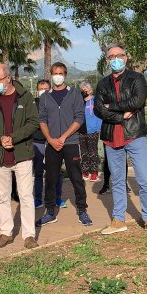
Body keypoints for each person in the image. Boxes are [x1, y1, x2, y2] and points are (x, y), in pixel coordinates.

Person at [94, 44, 147, 234]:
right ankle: (118, 219)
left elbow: (137, 101)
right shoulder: (103, 83)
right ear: (107, 60)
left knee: (144, 179)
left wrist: (110, 105)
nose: (115, 59)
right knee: (117, 180)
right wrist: (121, 115)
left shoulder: (137, 78)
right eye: (111, 56)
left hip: (134, 135)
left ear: (125, 57)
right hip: (111, 137)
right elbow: (98, 109)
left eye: (119, 55)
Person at [0, 65, 40, 249]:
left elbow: (33, 122)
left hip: (22, 154)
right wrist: (0, 139)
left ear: (8, 79)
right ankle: (6, 233)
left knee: (26, 196)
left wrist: (14, 138)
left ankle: (29, 236)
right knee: (3, 197)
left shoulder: (25, 96)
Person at [36, 62, 92, 227]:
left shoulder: (74, 94)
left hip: (71, 143)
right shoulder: (45, 97)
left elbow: (79, 118)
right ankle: (50, 212)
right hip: (52, 144)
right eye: (55, 73)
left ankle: (82, 210)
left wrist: (63, 137)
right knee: (51, 179)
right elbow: (42, 120)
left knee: (76, 178)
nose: (58, 76)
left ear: (65, 75)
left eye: (61, 73)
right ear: (51, 75)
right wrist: (51, 139)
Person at [32, 79, 64, 209]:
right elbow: (33, 122)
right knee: (38, 172)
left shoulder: (57, 103)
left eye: (46, 89)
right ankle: (38, 199)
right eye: (41, 89)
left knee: (56, 172)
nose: (43, 91)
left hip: (54, 140)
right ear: (37, 90)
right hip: (38, 140)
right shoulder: (33, 105)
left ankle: (58, 198)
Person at [79, 81, 102, 182]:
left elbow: (100, 115)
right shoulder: (80, 102)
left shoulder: (95, 100)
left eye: (86, 89)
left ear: (90, 90)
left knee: (93, 152)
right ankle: (85, 171)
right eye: (82, 89)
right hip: (81, 131)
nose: (84, 91)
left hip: (93, 131)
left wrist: (97, 127)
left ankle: (94, 172)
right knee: (84, 153)